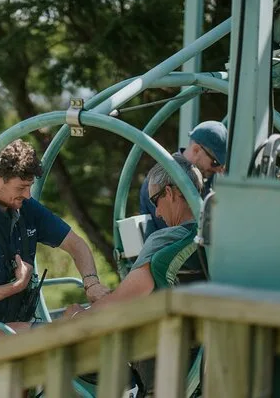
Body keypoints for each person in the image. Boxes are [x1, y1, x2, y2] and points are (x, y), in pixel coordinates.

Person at [0, 139, 110, 350]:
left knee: (78, 322)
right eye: (21, 187)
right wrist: (17, 286)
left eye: (29, 187)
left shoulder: (27, 208)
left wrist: (91, 283)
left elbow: (76, 245)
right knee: (61, 337)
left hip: (15, 327)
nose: (28, 195)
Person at [67, 155, 206, 395]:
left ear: (170, 193)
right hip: (198, 355)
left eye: (155, 201)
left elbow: (124, 300)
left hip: (157, 355)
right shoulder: (211, 238)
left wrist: (78, 317)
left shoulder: (165, 240)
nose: (157, 213)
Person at [139, 120, 227, 240]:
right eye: (215, 163)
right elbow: (180, 235)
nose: (218, 170)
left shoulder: (205, 178)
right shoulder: (160, 180)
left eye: (222, 166)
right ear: (196, 150)